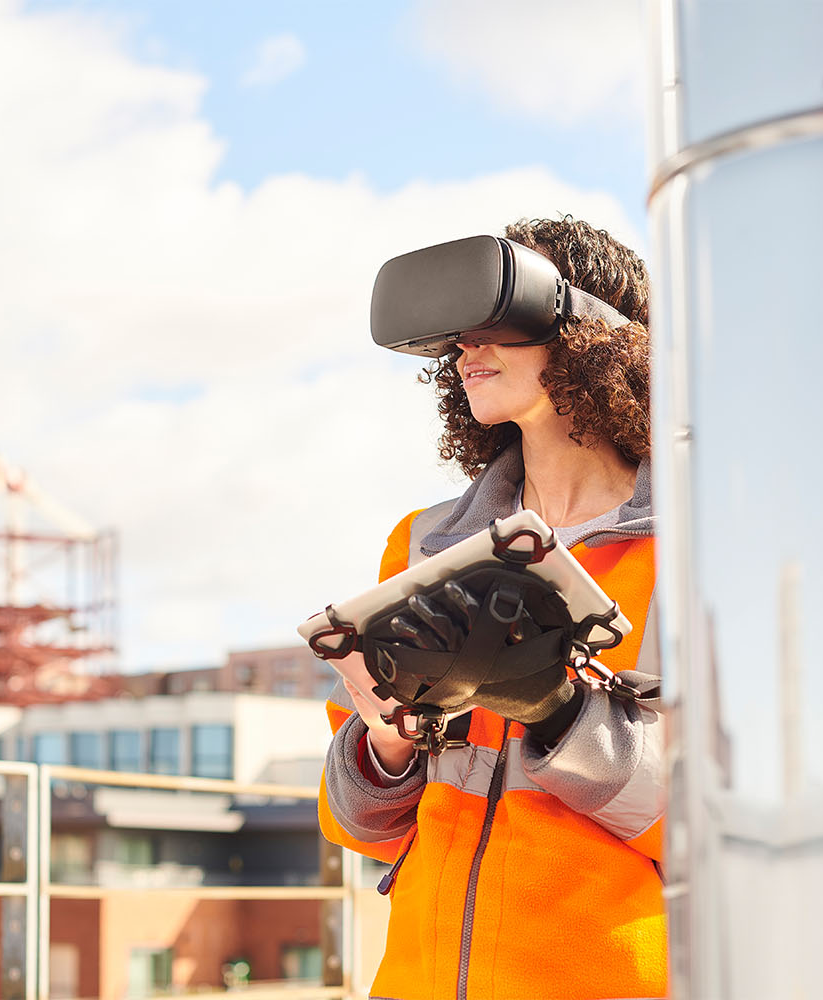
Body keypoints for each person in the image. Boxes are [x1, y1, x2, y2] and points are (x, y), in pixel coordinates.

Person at [317, 216, 665, 999]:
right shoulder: (421, 545)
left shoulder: (698, 552)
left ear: (594, 333)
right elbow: (355, 827)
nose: (467, 350)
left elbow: (730, 827)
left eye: (497, 320)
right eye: (459, 334)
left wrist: (558, 713)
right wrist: (386, 743)